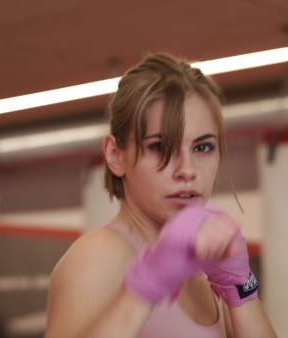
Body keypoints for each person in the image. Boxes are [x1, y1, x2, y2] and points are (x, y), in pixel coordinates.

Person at [46, 53, 276, 338]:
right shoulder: (96, 258)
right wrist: (141, 291)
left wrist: (243, 289)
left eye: (202, 147)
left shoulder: (202, 276)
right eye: (159, 147)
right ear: (115, 155)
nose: (187, 170)